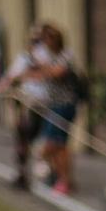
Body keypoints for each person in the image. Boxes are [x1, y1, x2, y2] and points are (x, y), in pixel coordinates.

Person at [0, 24, 50, 190]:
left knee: (40, 137)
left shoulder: (48, 57)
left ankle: (39, 168)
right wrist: (5, 85)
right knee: (23, 137)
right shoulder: (24, 57)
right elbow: (10, 77)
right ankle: (22, 172)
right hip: (26, 104)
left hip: (43, 105)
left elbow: (47, 74)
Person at [30, 22, 78, 194]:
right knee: (58, 145)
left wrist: (42, 69)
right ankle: (62, 179)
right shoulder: (46, 57)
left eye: (48, 39)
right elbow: (33, 74)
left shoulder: (66, 55)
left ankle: (63, 178)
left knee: (53, 145)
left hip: (64, 105)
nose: (45, 43)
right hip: (52, 105)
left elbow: (56, 73)